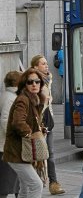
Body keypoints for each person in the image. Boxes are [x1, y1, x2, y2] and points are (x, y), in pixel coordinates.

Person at [3, 68, 46, 198]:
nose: (34, 84)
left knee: (25, 187)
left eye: (37, 82)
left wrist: (41, 129)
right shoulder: (23, 99)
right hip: (17, 152)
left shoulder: (34, 100)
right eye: (30, 82)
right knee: (36, 185)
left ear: (41, 84)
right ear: (24, 84)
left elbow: (31, 121)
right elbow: (17, 122)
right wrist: (30, 135)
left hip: (22, 152)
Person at [31, 54, 65, 195]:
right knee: (36, 155)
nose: (47, 65)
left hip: (48, 122)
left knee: (50, 153)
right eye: (43, 63)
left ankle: (53, 183)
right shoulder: (32, 82)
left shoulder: (47, 80)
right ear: (35, 67)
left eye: (46, 63)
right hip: (38, 124)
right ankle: (34, 182)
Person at [0, 71, 22, 198]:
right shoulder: (11, 98)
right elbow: (5, 121)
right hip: (7, 146)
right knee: (9, 180)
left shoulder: (7, 95)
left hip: (5, 145)